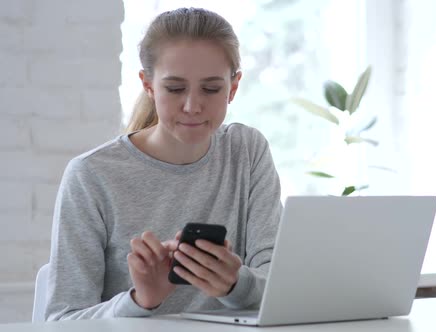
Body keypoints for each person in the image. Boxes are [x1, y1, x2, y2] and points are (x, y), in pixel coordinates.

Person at [45, 7, 282, 320]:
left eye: (211, 89)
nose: (193, 106)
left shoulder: (247, 151)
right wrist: (140, 300)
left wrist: (236, 285)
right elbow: (62, 320)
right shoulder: (91, 175)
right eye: (175, 88)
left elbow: (278, 286)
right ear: (148, 85)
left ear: (233, 88)